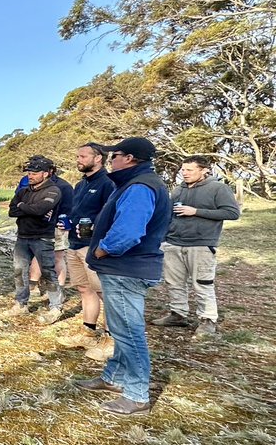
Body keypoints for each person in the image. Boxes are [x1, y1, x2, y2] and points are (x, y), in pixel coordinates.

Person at [75, 137, 173, 415]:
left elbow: (128, 233)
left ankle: (136, 395)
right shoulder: (137, 183)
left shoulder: (139, 187)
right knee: (121, 330)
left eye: (114, 155)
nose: (110, 160)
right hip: (126, 269)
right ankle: (114, 378)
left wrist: (103, 251)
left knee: (129, 333)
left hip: (126, 270)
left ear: (129, 158)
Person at [151, 155, 240, 336]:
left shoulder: (218, 188)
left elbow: (232, 213)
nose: (184, 173)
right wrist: (163, 239)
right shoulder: (177, 190)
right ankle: (177, 315)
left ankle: (208, 320)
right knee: (174, 282)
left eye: (189, 170)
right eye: (183, 170)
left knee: (202, 283)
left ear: (204, 170)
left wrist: (196, 212)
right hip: (173, 243)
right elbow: (168, 215)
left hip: (202, 244)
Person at [57, 143, 117, 360]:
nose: (78, 159)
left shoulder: (108, 183)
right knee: (84, 289)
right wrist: (67, 222)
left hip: (94, 246)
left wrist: (97, 231)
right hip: (74, 244)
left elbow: (111, 214)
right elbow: (76, 212)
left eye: (83, 156)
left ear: (98, 158)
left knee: (105, 293)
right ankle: (88, 332)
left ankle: (112, 339)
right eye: (77, 156)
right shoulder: (80, 185)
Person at [8, 157, 64, 323]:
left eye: (34, 173)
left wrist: (22, 207)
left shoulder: (53, 190)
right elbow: (12, 210)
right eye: (29, 173)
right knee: (19, 270)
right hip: (22, 236)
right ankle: (21, 303)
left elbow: (40, 210)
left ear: (45, 174)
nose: (30, 176)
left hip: (42, 237)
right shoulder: (23, 191)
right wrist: (26, 208)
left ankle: (56, 306)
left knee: (48, 272)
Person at [30, 158, 74, 291]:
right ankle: (33, 286)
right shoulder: (32, 185)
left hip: (56, 228)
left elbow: (69, 209)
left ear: (49, 171)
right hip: (36, 227)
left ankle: (59, 288)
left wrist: (63, 222)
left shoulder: (64, 186)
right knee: (36, 256)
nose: (32, 174)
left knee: (57, 258)